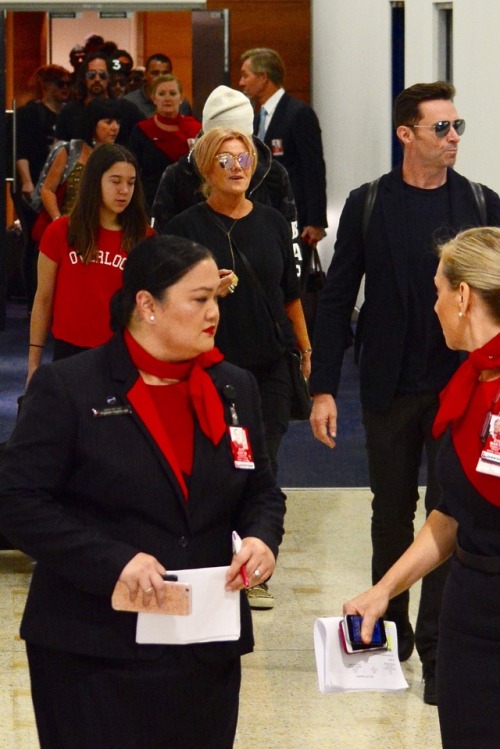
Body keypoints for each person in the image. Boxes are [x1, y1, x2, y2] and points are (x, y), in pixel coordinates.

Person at [0, 233, 286, 749]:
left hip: (202, 646)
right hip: (92, 648)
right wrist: (113, 561)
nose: (213, 312)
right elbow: (17, 502)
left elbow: (262, 489)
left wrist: (262, 539)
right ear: (147, 306)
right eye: (199, 299)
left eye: (216, 298)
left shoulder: (233, 386)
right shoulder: (71, 387)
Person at [309, 80, 500, 704]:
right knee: (389, 511)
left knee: (453, 511)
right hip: (389, 386)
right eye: (441, 128)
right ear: (406, 134)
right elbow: (337, 302)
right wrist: (323, 389)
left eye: (457, 127)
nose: (452, 139)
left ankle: (444, 656)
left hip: (465, 389)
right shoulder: (369, 205)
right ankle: (385, 640)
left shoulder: (481, 203)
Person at [344, 225, 500, 747]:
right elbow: (451, 515)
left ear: (462, 296)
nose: (433, 306)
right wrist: (383, 591)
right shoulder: (467, 385)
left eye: (437, 291)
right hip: (469, 612)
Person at [165, 128, 311, 608]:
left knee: (260, 464)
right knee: (214, 463)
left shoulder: (270, 221)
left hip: (268, 363)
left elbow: (290, 291)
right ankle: (209, 558)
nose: (236, 166)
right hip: (209, 364)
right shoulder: (186, 226)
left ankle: (255, 565)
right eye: (224, 159)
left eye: (243, 157)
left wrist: (305, 348)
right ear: (207, 169)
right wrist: (206, 289)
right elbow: (169, 297)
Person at [27, 143, 151, 384]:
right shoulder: (61, 231)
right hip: (68, 353)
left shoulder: (144, 237)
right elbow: (43, 299)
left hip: (121, 354)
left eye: (131, 182)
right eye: (115, 181)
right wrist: (34, 363)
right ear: (95, 182)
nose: (124, 190)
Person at [152, 84, 301, 277]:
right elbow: (160, 248)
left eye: (240, 143)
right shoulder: (179, 175)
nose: (236, 166)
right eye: (223, 155)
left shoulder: (273, 174)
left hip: (263, 292)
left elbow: (291, 247)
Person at [239, 47, 328, 273]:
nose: (241, 82)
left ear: (263, 77)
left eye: (245, 75)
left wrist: (316, 222)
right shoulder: (257, 118)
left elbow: (314, 169)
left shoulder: (298, 114)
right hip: (262, 218)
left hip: (295, 219)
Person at [13, 64, 72, 310]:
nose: (66, 90)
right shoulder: (30, 113)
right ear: (47, 86)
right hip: (32, 185)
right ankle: (32, 302)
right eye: (61, 84)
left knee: (56, 242)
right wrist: (26, 182)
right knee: (35, 241)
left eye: (69, 84)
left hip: (58, 186)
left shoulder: (69, 114)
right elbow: (21, 150)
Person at [35, 98, 121, 230]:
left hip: (102, 228)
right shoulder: (70, 151)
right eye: (108, 122)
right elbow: (47, 190)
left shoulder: (118, 156)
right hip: (68, 228)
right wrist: (57, 220)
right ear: (92, 123)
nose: (115, 127)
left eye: (117, 122)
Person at [127, 74, 201, 211]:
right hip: (151, 202)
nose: (167, 98)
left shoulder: (196, 129)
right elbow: (133, 168)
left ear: (181, 98)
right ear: (153, 99)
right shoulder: (142, 130)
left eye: (173, 93)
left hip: (189, 202)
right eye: (162, 94)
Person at [55, 52, 141, 145]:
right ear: (84, 78)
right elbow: (59, 149)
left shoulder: (127, 109)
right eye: (91, 75)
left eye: (102, 75)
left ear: (109, 78)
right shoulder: (69, 111)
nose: (97, 79)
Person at [124, 52, 192, 117]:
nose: (160, 78)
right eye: (155, 73)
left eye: (165, 73)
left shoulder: (182, 104)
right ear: (145, 75)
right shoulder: (129, 102)